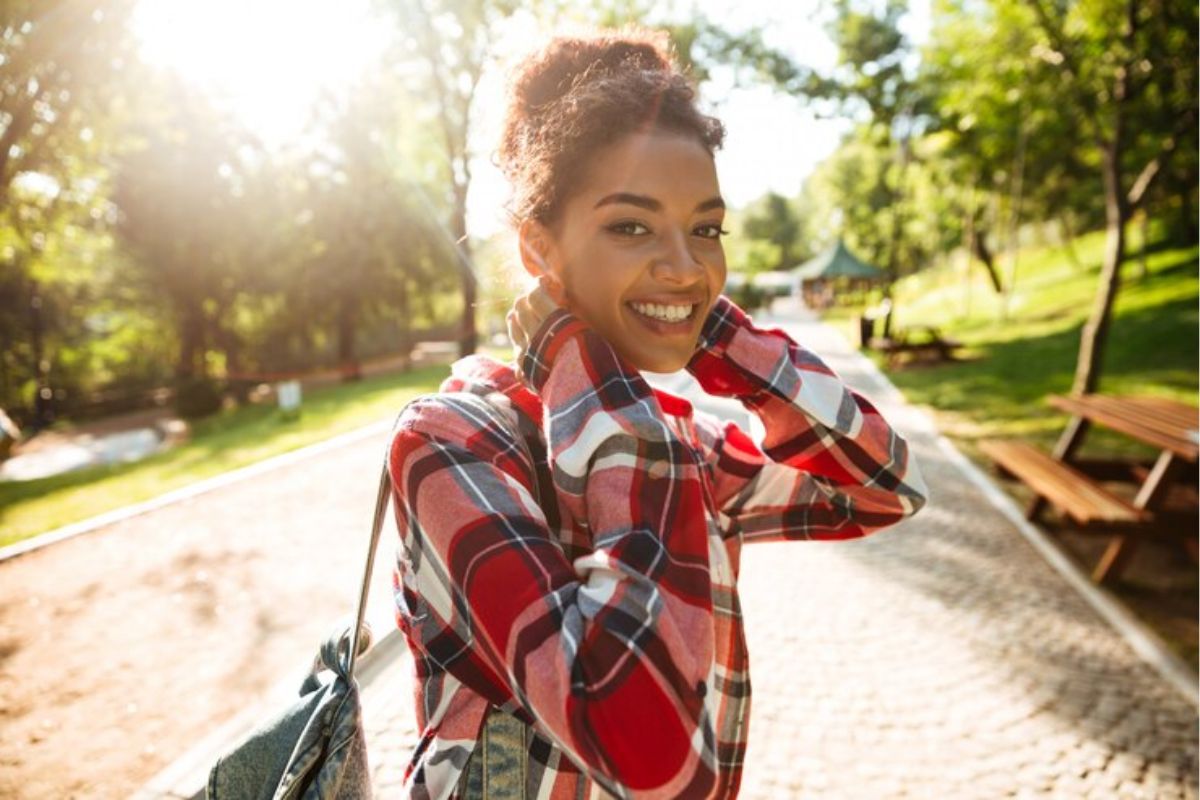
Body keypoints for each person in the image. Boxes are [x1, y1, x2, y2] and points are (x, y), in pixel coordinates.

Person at [387, 26, 928, 800]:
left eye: (706, 230)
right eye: (632, 226)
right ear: (541, 249)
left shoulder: (679, 447)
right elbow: (643, 746)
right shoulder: (452, 444)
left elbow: (882, 487)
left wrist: (714, 331)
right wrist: (584, 363)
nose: (684, 263)